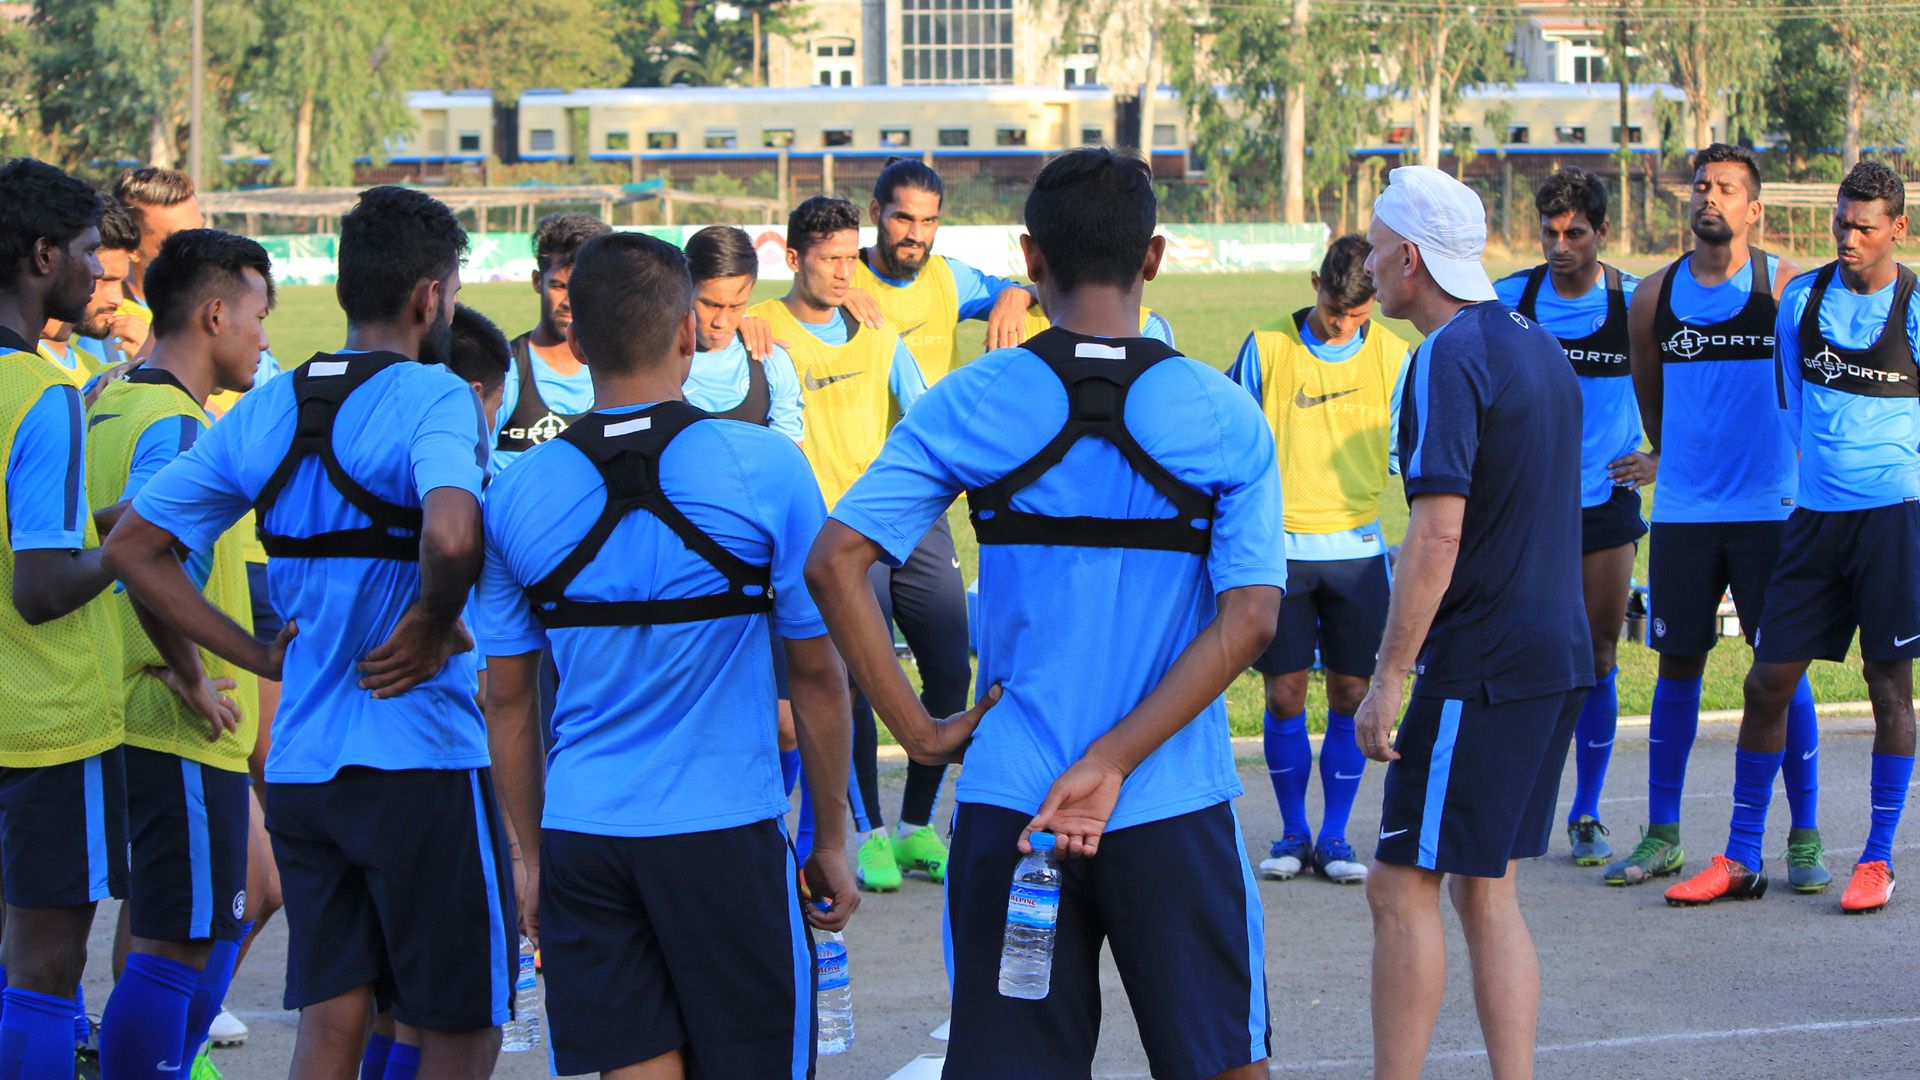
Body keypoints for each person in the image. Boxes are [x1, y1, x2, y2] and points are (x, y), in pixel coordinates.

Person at [807, 146, 1281, 1080]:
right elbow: (1252, 620)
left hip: (1012, 798)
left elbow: (834, 562)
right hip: (1171, 798)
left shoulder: (977, 396)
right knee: (1225, 1062)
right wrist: (1113, 762)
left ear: (1031, 258)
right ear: (1152, 258)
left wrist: (921, 733)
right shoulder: (1221, 411)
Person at [103, 185, 510, 1077]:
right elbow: (451, 534)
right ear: (430, 298)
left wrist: (253, 654)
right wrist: (433, 622)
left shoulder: (269, 404)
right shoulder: (435, 395)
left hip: (302, 765)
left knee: (333, 1022)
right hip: (417, 757)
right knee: (463, 1024)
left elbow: (131, 546)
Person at [477, 230, 860, 1077]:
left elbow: (506, 700)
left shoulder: (517, 490)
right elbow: (817, 674)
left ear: (578, 342)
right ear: (688, 330)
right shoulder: (767, 466)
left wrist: (531, 859)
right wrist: (830, 837)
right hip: (723, 831)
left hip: (585, 833)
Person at [1354, 165, 1591, 1080]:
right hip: (1555, 650)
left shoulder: (1447, 356)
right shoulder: (1539, 344)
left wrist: (1388, 676)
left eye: (1378, 247)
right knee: (1486, 887)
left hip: (1482, 663)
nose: (1367, 265)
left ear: (1411, 258)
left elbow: (1437, 532)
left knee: (1398, 883)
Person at [1665, 161, 1918, 915]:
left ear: (1898, 229)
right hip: (1813, 521)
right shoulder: (1801, 299)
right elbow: (1794, 404)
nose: (1848, 237)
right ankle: (1742, 856)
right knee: (1765, 681)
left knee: (1888, 687)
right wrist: (1823, 481)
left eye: (1864, 227)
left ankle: (1876, 859)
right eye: (1841, 222)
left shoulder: (1913, 306)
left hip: (1895, 519)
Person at [91, 228, 272, 1079]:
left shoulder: (105, 400)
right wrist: (197, 674)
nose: (264, 339)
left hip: (121, 703)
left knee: (225, 909)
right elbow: (145, 555)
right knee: (177, 941)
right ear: (214, 315)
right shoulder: (177, 426)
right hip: (170, 720)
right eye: (258, 318)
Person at [1622, 144, 1826, 891]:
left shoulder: (1785, 285)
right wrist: (1673, 456)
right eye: (1702, 185)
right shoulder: (1654, 295)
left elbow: (1813, 385)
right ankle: (1662, 835)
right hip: (1684, 511)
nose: (1710, 196)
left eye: (1727, 188)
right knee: (1678, 665)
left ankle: (1804, 836)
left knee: (1782, 668)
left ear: (1754, 209)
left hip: (1771, 510)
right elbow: (1650, 396)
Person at [749, 196, 952, 893]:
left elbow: (926, 412)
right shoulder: (760, 327)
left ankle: (917, 824)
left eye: (848, 259)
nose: (843, 272)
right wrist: (743, 324)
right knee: (853, 678)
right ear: (792, 258)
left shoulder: (874, 323)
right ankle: (869, 834)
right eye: (828, 259)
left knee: (948, 666)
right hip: (827, 535)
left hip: (898, 518)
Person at [0, 156, 130, 1080]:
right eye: (88, 251)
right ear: (42, 255)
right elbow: (41, 587)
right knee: (45, 969)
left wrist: (101, 525)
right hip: (47, 723)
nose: (98, 272)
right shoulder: (44, 393)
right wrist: (130, 552)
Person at [1230, 234, 1408, 885]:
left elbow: (1409, 455)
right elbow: (1232, 442)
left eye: (1357, 316)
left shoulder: (1395, 358)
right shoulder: (1266, 347)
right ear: (1315, 285)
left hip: (1357, 554)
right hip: (1278, 554)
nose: (1342, 326)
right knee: (1283, 693)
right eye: (1335, 311)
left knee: (1352, 691)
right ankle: (1291, 832)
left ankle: (1334, 835)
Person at [1493, 167, 1652, 867]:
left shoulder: (1635, 301)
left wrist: (1659, 455)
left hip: (1605, 503)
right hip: (1530, 504)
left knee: (1598, 654)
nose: (1561, 247)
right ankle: (1515, 800)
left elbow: (1686, 384)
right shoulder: (1510, 300)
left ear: (1602, 231)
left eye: (1575, 233)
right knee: (1524, 650)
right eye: (1550, 233)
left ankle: (1586, 811)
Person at [851, 157, 1038, 383]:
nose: (916, 235)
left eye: (928, 221)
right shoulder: (844, 275)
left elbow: (1053, 296)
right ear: (875, 212)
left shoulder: (951, 277)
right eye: (904, 219)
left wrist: (1021, 294)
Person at [490, 212, 612, 475]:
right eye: (558, 286)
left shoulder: (618, 370)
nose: (568, 301)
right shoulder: (506, 370)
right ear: (537, 281)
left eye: (579, 288)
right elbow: (472, 467)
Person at [110, 167, 206, 361]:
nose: (203, 249)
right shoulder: (111, 325)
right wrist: (150, 362)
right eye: (181, 241)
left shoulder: (226, 305)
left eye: (203, 232)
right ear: (132, 249)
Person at [38, 202, 139, 385]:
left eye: (120, 282)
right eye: (105, 279)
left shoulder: (93, 366)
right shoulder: (15, 361)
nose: (117, 299)